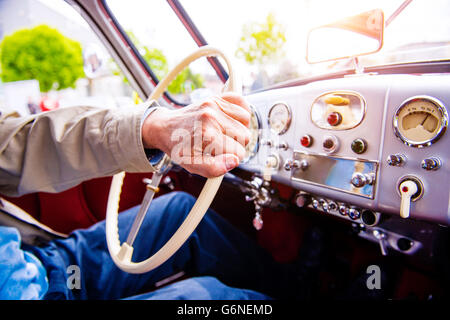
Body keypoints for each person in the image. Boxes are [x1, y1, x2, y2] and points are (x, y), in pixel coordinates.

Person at [0, 93, 324, 300]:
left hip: (39, 263)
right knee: (210, 299)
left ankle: (296, 289)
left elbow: (14, 145)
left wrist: (152, 128)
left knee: (180, 211)